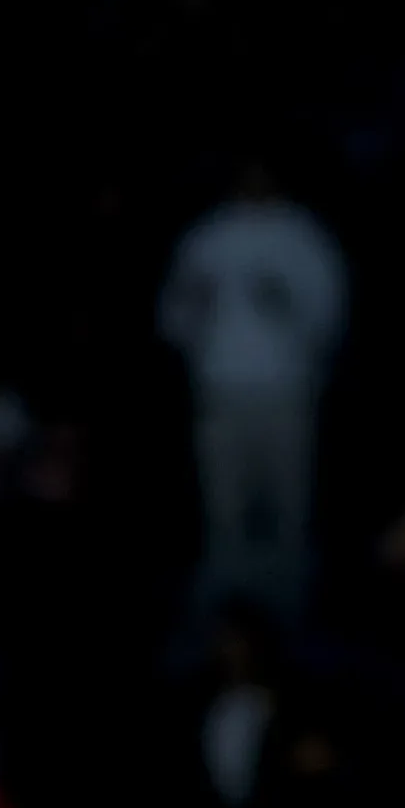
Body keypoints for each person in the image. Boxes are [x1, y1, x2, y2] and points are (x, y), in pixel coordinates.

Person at [157, 161, 347, 617]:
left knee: (287, 513)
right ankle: (226, 628)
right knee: (225, 517)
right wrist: (194, 307)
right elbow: (173, 317)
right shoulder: (208, 237)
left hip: (284, 393)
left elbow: (330, 317)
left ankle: (290, 618)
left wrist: (286, 302)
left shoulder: (302, 236)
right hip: (222, 393)